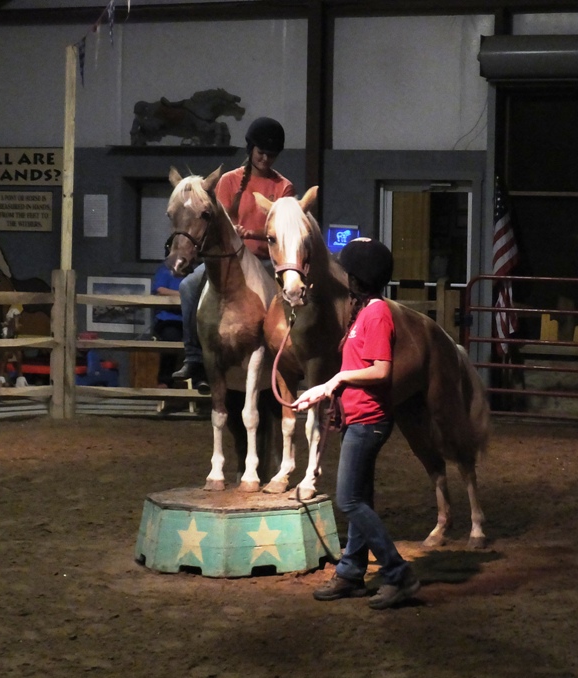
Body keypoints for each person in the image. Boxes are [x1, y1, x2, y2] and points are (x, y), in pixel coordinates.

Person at [291, 237, 421, 610]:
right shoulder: (362, 312)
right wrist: (329, 393)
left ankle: (398, 573)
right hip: (357, 418)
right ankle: (351, 572)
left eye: (349, 272)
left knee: (348, 499)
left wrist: (336, 381)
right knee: (359, 498)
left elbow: (380, 370)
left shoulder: (377, 313)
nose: (345, 276)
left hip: (369, 422)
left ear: (360, 277)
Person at [172, 116, 295, 391]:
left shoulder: (283, 187)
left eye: (271, 155)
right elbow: (216, 222)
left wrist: (253, 234)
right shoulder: (228, 181)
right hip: (230, 260)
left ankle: (290, 355)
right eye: (261, 152)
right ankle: (194, 358)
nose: (265, 158)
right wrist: (232, 232)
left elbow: (285, 230)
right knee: (188, 286)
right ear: (250, 149)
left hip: (264, 260)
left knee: (292, 294)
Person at [151, 261, 184, 388]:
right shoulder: (166, 270)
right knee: (171, 338)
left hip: (190, 320)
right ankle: (165, 381)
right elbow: (160, 289)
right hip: (168, 319)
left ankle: (202, 380)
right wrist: (183, 294)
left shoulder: (194, 271)